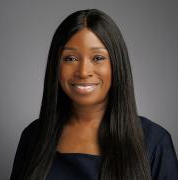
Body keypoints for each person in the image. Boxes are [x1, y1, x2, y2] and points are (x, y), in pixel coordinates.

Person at [10, 9, 178, 180]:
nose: (83, 72)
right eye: (70, 58)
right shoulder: (33, 137)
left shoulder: (154, 141)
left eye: (97, 58)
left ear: (117, 64)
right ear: (56, 65)